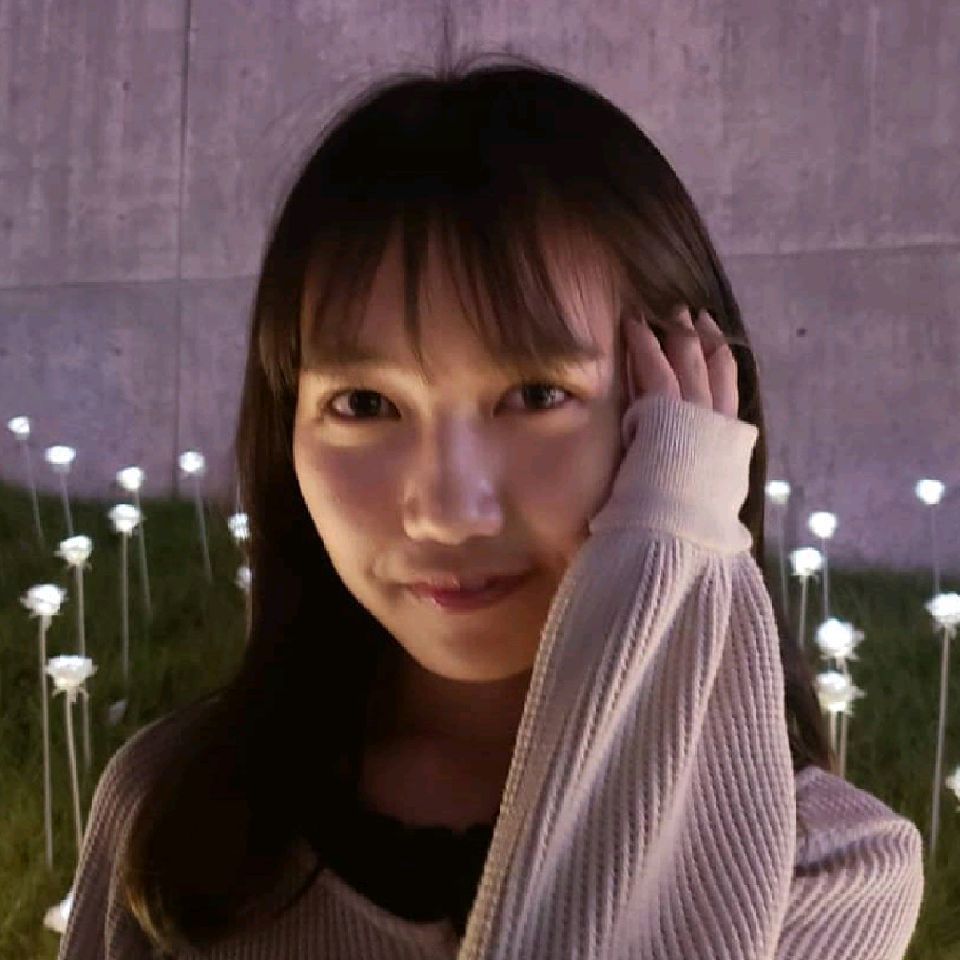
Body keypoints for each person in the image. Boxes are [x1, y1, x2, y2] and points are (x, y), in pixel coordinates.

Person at [58, 51, 924, 959]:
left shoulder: (822, 870)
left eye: (537, 395)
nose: (446, 511)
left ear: (685, 409)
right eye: (364, 404)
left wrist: (669, 547)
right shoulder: (175, 816)